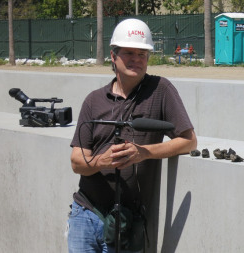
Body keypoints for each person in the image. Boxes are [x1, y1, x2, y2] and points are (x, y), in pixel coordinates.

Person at [67, 18, 197, 253]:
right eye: (129, 53)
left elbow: (189, 141)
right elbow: (77, 162)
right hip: (86, 213)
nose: (136, 59)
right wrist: (101, 162)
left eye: (142, 54)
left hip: (127, 223)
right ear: (113, 56)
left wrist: (143, 153)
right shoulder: (93, 100)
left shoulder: (161, 90)